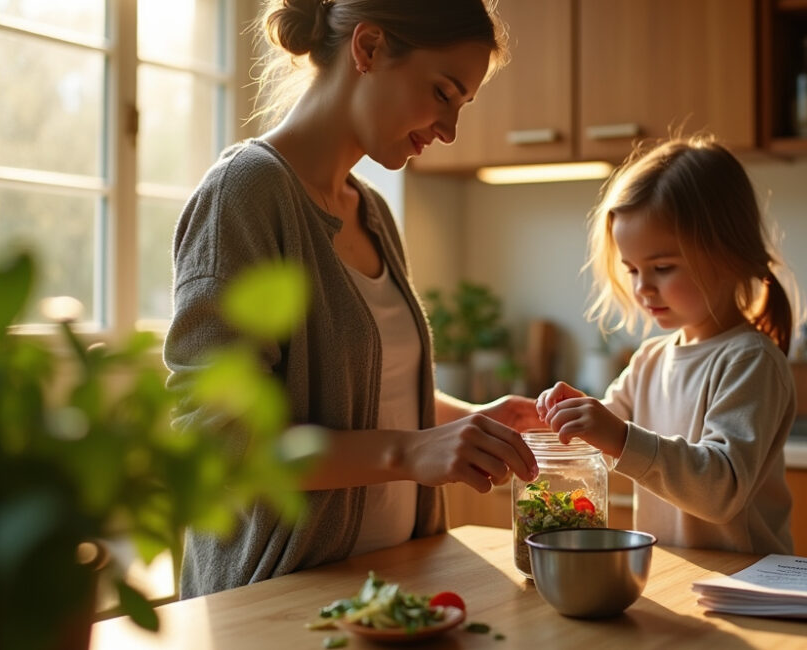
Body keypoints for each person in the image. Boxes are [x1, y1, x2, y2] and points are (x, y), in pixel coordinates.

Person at [164, 0, 541, 599]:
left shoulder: (372, 211)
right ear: (367, 49)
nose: (449, 130)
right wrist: (410, 452)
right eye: (443, 93)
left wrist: (471, 421)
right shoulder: (246, 194)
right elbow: (221, 440)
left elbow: (370, 396)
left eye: (462, 106)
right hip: (278, 601)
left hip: (392, 591)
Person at [536, 136, 797, 555]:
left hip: (751, 587)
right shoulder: (650, 361)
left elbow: (720, 490)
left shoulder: (750, 361)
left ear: (728, 253)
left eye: (661, 267)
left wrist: (617, 436)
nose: (643, 288)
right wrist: (551, 419)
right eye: (633, 269)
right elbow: (599, 440)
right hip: (676, 577)